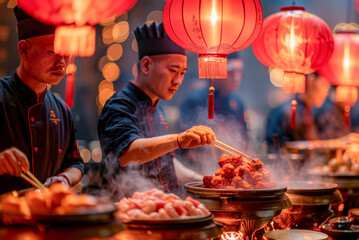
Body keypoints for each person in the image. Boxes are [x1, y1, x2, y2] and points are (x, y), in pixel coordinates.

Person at [98, 22, 216, 198]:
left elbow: (164, 159)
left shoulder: (158, 109)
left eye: (182, 73)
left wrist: (202, 181)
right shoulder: (120, 105)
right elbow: (127, 153)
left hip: (164, 209)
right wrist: (178, 139)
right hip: (132, 211)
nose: (178, 80)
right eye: (173, 70)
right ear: (146, 66)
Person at [0, 7, 84, 194]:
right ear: (24, 49)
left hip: (48, 219)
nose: (62, 62)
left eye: (66, 54)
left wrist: (64, 179)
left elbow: (75, 164)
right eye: (53, 51)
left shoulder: (61, 109)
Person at [177, 52, 248, 174]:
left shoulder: (238, 103)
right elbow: (183, 146)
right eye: (231, 71)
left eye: (240, 71)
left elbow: (246, 141)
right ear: (218, 70)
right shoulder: (195, 100)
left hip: (233, 172)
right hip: (198, 171)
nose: (236, 77)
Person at [265, 73, 331, 150]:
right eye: (324, 85)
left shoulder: (310, 111)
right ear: (311, 81)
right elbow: (276, 149)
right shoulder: (285, 112)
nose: (326, 91)